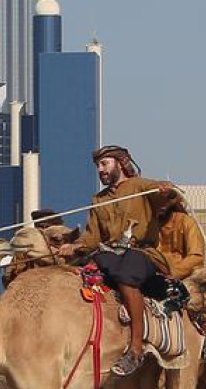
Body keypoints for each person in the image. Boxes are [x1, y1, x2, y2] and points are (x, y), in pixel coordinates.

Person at [58, 145, 176, 376]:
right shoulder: (98, 199)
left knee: (126, 273)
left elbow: (164, 195)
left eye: (104, 164)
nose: (100, 170)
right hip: (110, 254)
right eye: (98, 166)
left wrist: (166, 190)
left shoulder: (139, 186)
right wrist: (74, 247)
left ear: (120, 163)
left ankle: (136, 348)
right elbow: (92, 238)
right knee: (80, 272)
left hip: (141, 252)